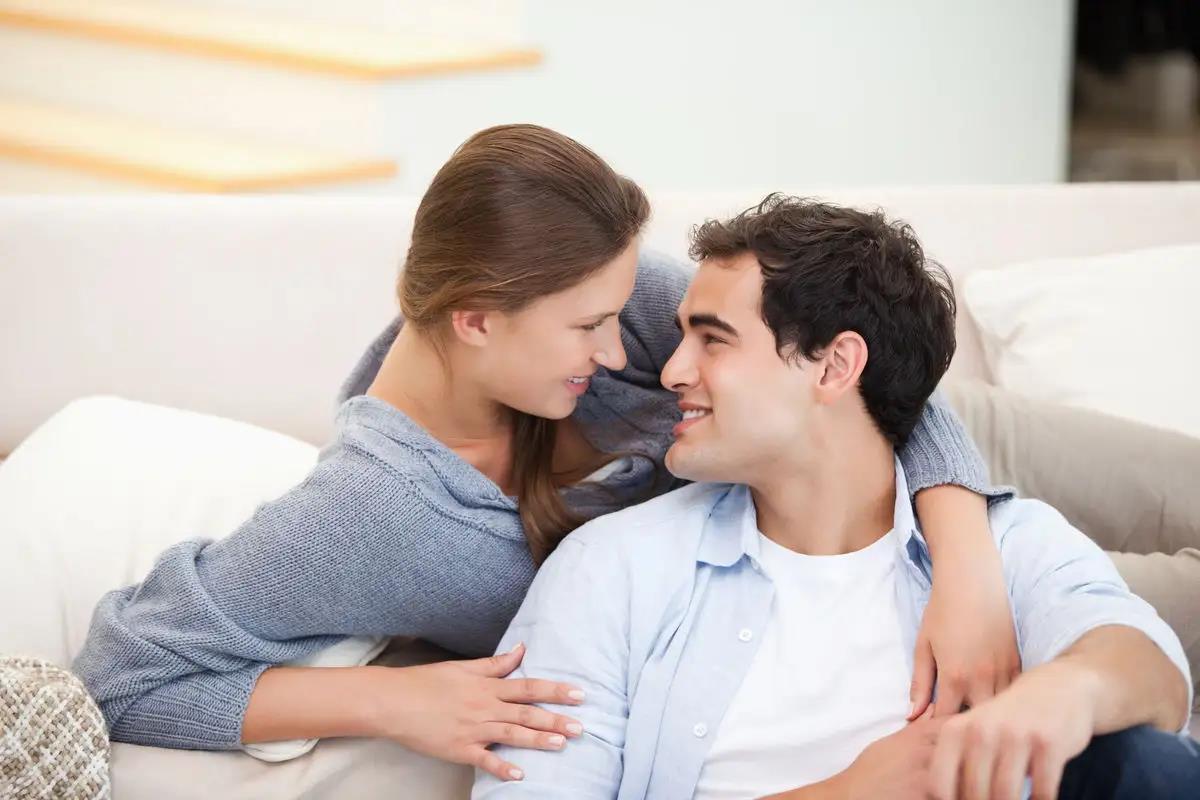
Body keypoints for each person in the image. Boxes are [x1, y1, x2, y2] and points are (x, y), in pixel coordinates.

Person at [73, 127, 1015, 782]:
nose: (627, 349)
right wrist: (388, 702)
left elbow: (861, 369)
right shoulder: (368, 516)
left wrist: (967, 570)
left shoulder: (594, 294)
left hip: (931, 450)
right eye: (589, 326)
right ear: (476, 321)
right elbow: (124, 675)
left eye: (619, 313)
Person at [471, 195, 1196, 799]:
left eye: (713, 340)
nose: (672, 372)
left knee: (1142, 760)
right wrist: (847, 792)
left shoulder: (1004, 545)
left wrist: (1067, 691)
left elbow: (1149, 670)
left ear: (835, 367)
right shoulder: (612, 569)